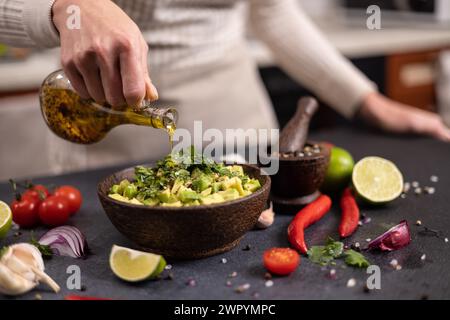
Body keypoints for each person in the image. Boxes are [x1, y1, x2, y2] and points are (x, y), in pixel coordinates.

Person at [0, 0, 449, 175]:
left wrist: (366, 100)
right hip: (104, 114)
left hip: (235, 115)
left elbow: (269, 10)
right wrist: (65, 7)